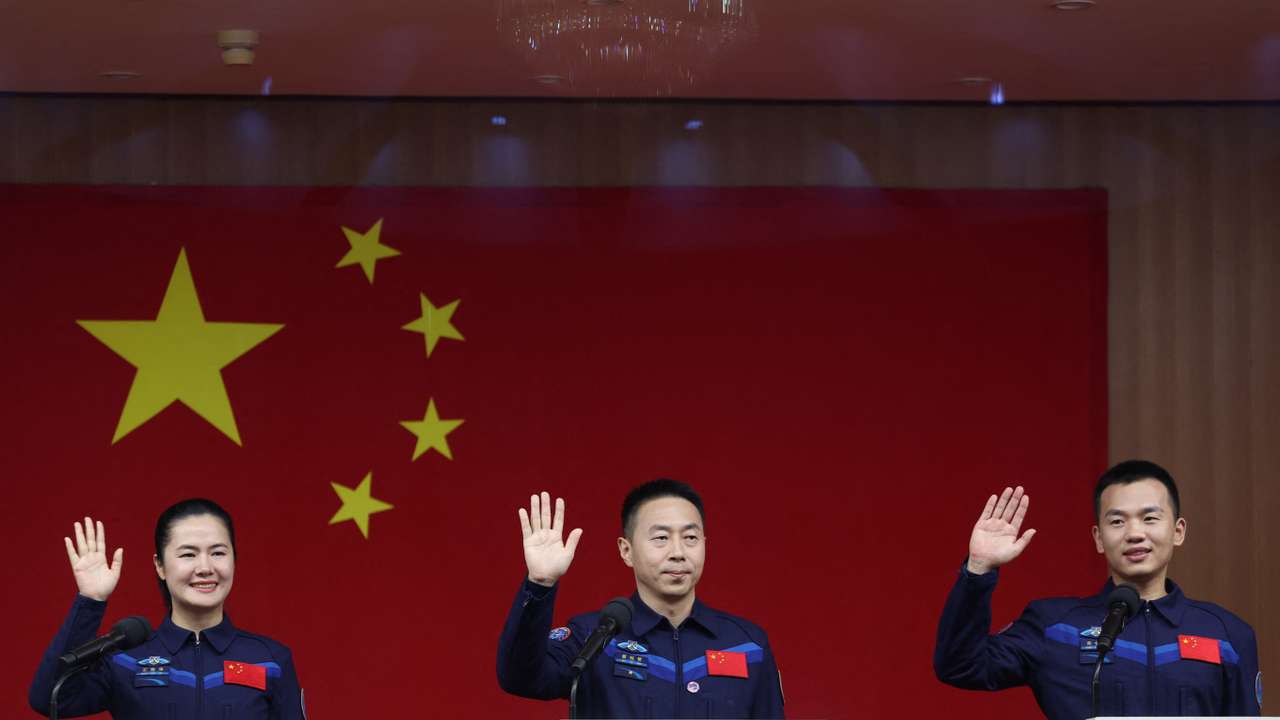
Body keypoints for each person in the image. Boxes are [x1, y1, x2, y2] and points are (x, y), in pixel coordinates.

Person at [934, 460, 1262, 718]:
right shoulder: (1055, 627)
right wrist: (978, 570)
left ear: (1178, 531)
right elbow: (961, 666)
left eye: (1149, 519)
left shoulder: (1227, 635)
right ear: (1098, 538)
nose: (1134, 533)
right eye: (1117, 521)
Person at [497, 479, 785, 718]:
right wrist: (540, 584)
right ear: (626, 551)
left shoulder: (747, 644)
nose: (678, 552)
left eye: (691, 538)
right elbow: (520, 677)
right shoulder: (594, 637)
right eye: (661, 538)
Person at [29, 499, 305, 719]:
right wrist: (90, 600)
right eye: (188, 554)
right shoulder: (124, 659)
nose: (205, 568)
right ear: (159, 565)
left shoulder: (270, 660)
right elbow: (49, 699)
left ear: (234, 559)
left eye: (218, 552)